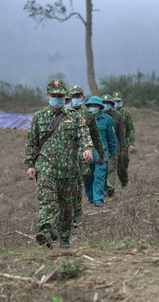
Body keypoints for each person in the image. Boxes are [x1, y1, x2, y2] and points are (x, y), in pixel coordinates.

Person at [24, 79, 93, 249]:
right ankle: (45, 231)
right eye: (54, 95)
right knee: (48, 201)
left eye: (61, 95)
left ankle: (64, 237)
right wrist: (30, 165)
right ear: (48, 96)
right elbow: (31, 143)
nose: (58, 98)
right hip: (46, 168)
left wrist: (87, 149)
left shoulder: (74, 116)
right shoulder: (39, 117)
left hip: (70, 170)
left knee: (66, 207)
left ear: (65, 96)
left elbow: (84, 136)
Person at [68, 85, 105, 229]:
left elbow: (95, 136)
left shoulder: (88, 116)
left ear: (82, 98)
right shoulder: (64, 114)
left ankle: (75, 215)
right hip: (67, 157)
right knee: (69, 186)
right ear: (69, 99)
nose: (76, 99)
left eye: (78, 96)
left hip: (85, 156)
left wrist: (101, 155)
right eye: (73, 97)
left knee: (80, 183)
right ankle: (70, 217)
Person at [84, 96, 117, 207]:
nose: (93, 108)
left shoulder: (107, 119)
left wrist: (113, 152)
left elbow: (111, 137)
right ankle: (90, 197)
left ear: (100, 107)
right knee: (88, 176)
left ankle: (98, 199)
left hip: (101, 152)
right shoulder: (83, 119)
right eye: (91, 106)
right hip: (87, 152)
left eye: (95, 105)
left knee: (100, 175)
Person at [101, 94, 127, 197]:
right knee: (103, 168)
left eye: (108, 103)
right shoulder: (97, 116)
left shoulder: (117, 116)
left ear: (112, 105)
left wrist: (123, 147)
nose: (106, 105)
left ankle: (110, 188)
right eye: (104, 103)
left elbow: (121, 133)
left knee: (111, 167)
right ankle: (103, 188)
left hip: (114, 145)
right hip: (102, 145)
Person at [112, 91, 136, 187]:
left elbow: (131, 129)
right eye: (114, 101)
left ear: (122, 101)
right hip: (112, 143)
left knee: (122, 166)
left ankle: (124, 183)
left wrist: (131, 143)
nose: (116, 103)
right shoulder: (108, 113)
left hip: (123, 144)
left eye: (118, 101)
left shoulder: (126, 114)